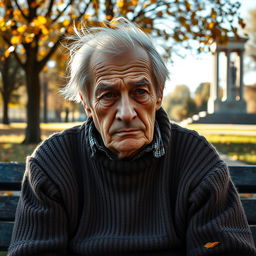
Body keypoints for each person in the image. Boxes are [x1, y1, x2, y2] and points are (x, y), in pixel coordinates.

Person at [8, 18, 256, 256]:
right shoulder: (54, 162)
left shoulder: (195, 160)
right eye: (108, 95)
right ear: (86, 103)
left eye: (140, 91)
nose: (126, 114)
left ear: (158, 96)